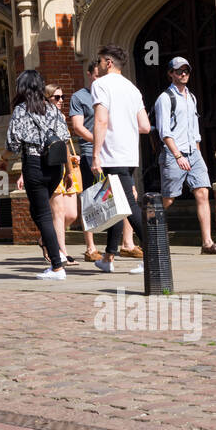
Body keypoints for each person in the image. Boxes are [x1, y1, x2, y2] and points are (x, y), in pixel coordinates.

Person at [0, 69, 74, 279]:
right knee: (39, 211)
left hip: (34, 165)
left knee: (43, 215)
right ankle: (50, 247)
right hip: (55, 166)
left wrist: (2, 159)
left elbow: (12, 144)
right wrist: (68, 171)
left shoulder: (21, 111)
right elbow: (64, 140)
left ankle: (57, 266)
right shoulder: (53, 109)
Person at [155, 56, 216, 257]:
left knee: (203, 192)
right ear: (170, 73)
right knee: (168, 199)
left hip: (193, 152)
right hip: (174, 154)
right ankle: (149, 233)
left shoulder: (192, 97)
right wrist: (178, 155)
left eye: (186, 70)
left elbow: (194, 129)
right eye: (179, 71)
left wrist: (197, 152)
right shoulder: (165, 98)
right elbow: (164, 132)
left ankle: (207, 243)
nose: (183, 74)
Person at [69, 59, 141, 263]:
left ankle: (125, 245)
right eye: (96, 76)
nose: (100, 79)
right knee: (94, 200)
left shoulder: (115, 92)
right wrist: (100, 140)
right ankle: (91, 248)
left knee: (123, 199)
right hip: (92, 153)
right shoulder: (80, 97)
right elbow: (78, 127)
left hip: (115, 155)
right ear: (90, 75)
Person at [90, 44, 151, 274]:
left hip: (111, 153)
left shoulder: (100, 85)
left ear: (108, 63)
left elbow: (101, 121)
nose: (97, 66)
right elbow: (144, 126)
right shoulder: (132, 88)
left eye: (98, 61)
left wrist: (96, 155)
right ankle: (108, 257)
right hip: (129, 153)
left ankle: (153, 253)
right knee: (115, 204)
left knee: (127, 205)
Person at [41, 84, 81, 267]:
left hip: (67, 167)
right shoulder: (41, 118)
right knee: (58, 212)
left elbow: (64, 143)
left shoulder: (61, 117)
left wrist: (71, 160)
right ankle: (62, 253)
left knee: (71, 215)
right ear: (46, 99)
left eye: (62, 97)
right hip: (51, 166)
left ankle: (45, 237)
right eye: (56, 97)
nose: (61, 101)